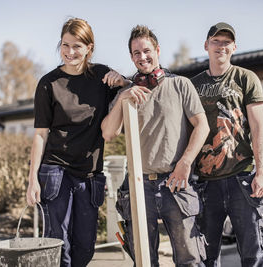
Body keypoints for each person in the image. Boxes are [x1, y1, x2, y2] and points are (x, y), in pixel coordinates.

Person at [101, 25, 210, 267]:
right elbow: (108, 133)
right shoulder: (127, 94)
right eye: (136, 53)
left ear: (158, 50)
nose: (142, 57)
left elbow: (202, 127)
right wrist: (122, 97)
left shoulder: (181, 85)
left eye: (147, 51)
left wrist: (185, 163)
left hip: (176, 182)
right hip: (138, 185)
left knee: (190, 260)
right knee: (144, 261)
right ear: (131, 56)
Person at [25, 18, 129, 267]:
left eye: (77, 46)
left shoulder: (102, 76)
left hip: (90, 174)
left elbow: (130, 91)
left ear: (89, 48)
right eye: (65, 45)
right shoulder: (48, 83)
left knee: (85, 247)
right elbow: (40, 134)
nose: (70, 52)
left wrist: (122, 80)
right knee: (58, 244)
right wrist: (32, 180)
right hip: (55, 171)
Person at [190, 22, 263, 267]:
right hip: (206, 183)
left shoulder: (246, 78)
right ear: (206, 45)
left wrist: (261, 172)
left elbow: (259, 128)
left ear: (234, 47)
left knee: (254, 254)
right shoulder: (192, 85)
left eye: (226, 42)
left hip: (243, 179)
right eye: (216, 41)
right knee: (206, 256)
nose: (221, 46)